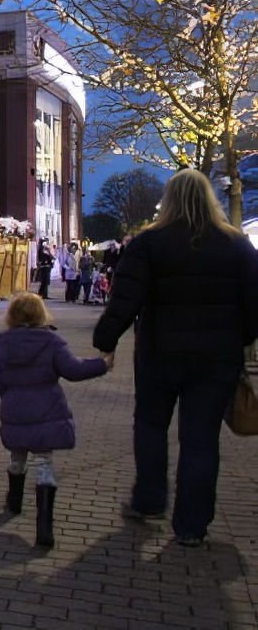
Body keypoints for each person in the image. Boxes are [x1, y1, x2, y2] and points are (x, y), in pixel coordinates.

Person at [93, 169, 258, 547]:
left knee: (150, 426)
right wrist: (242, 338)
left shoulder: (149, 243)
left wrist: (106, 339)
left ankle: (150, 499)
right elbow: (254, 301)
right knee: (201, 440)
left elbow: (125, 298)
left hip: (159, 354)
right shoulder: (237, 245)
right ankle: (191, 526)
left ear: (168, 201)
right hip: (216, 360)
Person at [0, 293, 113, 548]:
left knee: (17, 458)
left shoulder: (3, 343)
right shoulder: (52, 341)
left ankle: (14, 501)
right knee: (44, 462)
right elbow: (73, 369)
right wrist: (102, 365)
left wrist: (12, 397)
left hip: (15, 410)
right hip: (47, 410)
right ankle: (44, 526)